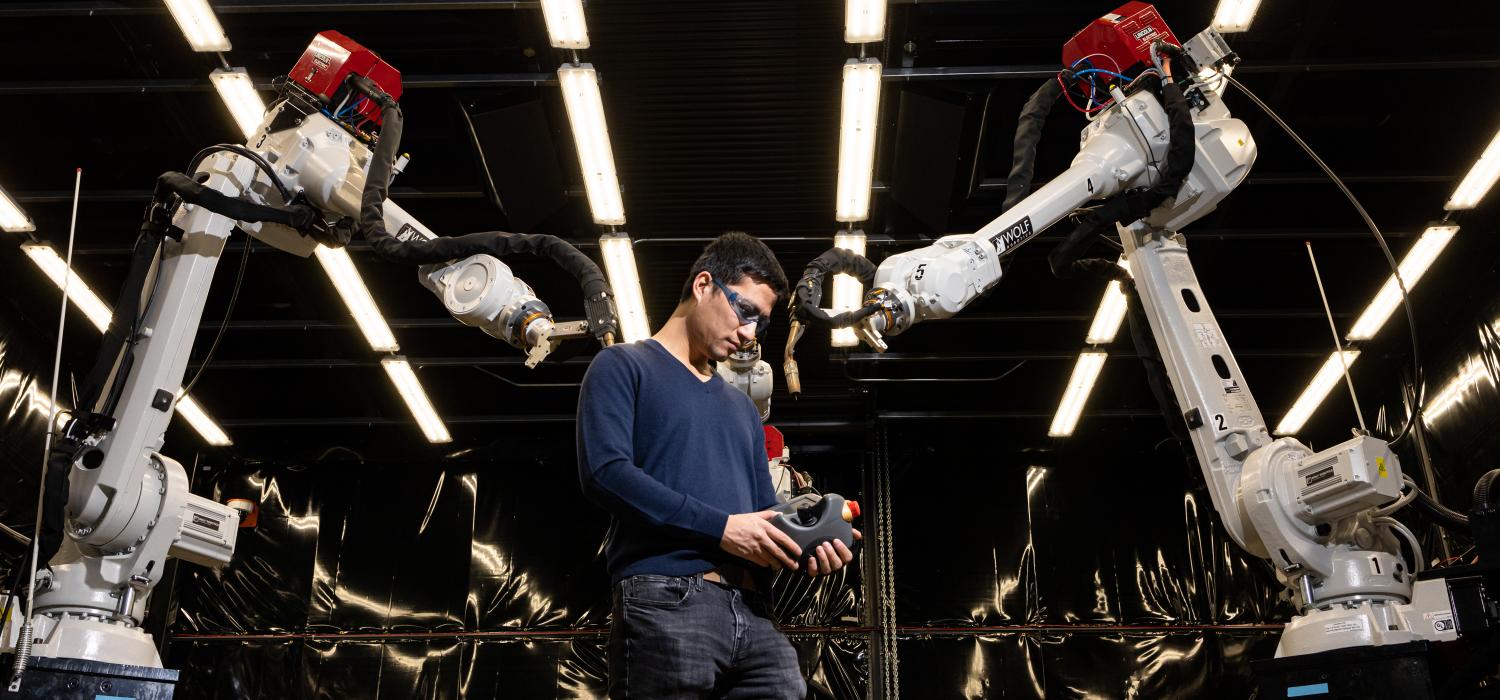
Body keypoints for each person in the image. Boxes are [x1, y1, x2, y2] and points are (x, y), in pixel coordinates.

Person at [577, 231, 858, 699]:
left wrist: (807, 545)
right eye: (745, 310)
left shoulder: (742, 409)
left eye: (761, 324)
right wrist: (723, 528)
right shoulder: (622, 366)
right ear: (704, 285)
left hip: (753, 610)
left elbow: (763, 513)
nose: (750, 333)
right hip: (666, 597)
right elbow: (606, 474)